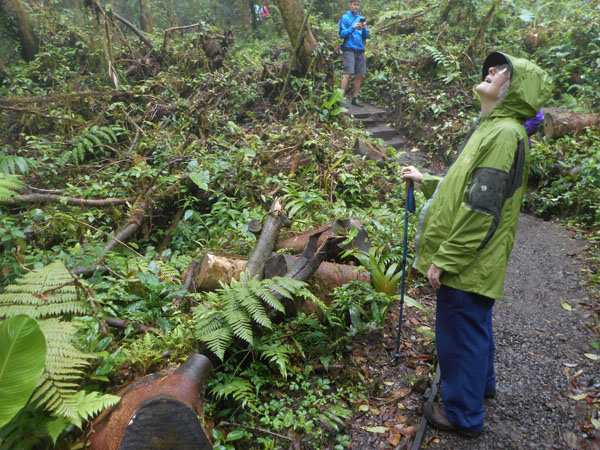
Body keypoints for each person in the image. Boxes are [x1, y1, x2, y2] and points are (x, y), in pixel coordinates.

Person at [400, 52, 552, 437]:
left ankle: (463, 416)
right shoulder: (492, 128)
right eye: (494, 67)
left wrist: (444, 259)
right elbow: (465, 186)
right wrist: (428, 180)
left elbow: (481, 209)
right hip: (476, 262)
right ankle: (481, 387)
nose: (492, 71)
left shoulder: (502, 134)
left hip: (469, 262)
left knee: (459, 335)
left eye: (502, 71)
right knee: (474, 324)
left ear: (514, 89)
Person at [338, 0, 369, 107]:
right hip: (349, 49)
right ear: (350, 5)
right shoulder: (345, 18)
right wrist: (352, 28)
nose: (356, 7)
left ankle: (355, 98)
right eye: (354, 4)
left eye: (358, 5)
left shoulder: (361, 18)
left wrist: (364, 29)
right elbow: (341, 34)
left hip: (360, 49)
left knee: (359, 75)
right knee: (348, 74)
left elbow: (366, 36)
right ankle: (340, 99)